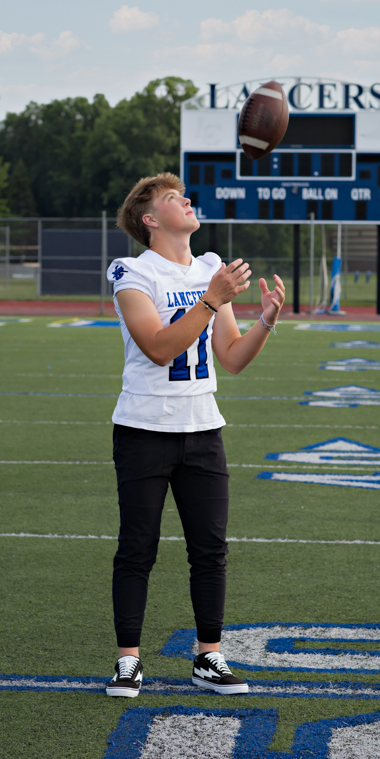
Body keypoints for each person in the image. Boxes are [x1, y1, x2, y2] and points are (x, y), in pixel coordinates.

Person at [105, 172, 285, 698]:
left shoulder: (210, 268)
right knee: (137, 547)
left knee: (210, 548)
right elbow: (158, 347)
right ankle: (128, 661)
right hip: (144, 428)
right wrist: (209, 300)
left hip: (203, 427)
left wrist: (265, 322)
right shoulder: (132, 271)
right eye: (171, 198)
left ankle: (209, 656)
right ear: (150, 219)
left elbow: (230, 358)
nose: (186, 201)